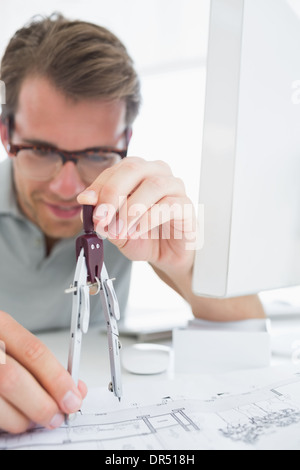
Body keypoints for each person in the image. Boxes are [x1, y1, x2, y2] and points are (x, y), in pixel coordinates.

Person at [0, 13, 265, 434]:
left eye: (96, 153)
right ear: (5, 134)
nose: (69, 187)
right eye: (41, 150)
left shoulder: (132, 210)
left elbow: (250, 331)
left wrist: (185, 264)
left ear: (124, 143)